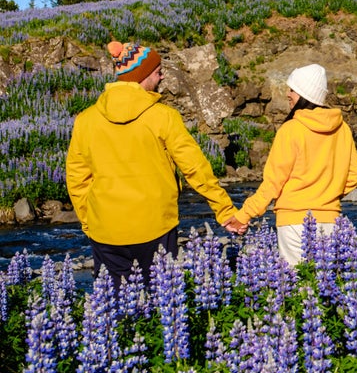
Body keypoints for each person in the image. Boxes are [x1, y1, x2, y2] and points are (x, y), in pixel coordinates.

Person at [66, 41, 238, 286]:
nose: (162, 75)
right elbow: (195, 168)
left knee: (115, 309)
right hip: (156, 225)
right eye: (158, 71)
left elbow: (76, 179)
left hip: (105, 230)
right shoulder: (164, 117)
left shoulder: (86, 120)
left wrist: (89, 221)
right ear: (142, 75)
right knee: (161, 306)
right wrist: (225, 210)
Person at [224, 63, 357, 266]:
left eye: (292, 90)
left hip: (294, 222)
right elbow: (353, 176)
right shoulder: (342, 129)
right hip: (330, 220)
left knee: (298, 289)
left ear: (305, 94)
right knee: (326, 288)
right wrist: (327, 192)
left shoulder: (291, 130)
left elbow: (273, 183)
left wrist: (244, 215)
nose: (288, 94)